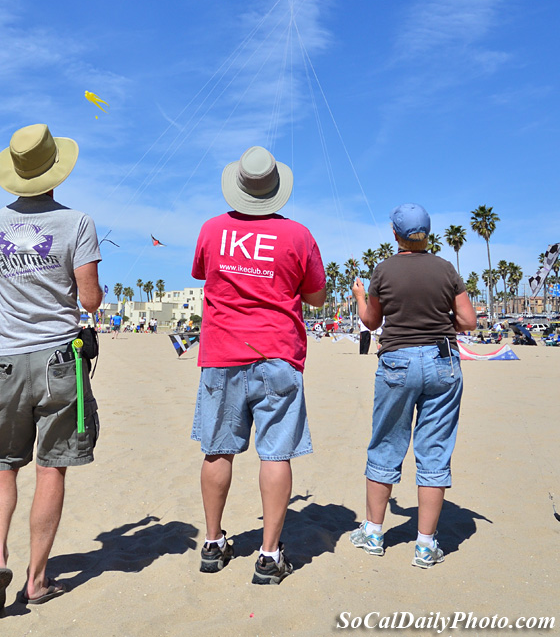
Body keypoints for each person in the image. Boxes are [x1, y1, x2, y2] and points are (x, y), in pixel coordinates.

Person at [0, 124, 102, 614]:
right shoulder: (77, 222)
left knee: (0, 463)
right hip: (56, 360)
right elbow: (88, 298)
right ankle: (36, 580)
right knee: (51, 467)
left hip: (5, 357)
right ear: (55, 170)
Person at [191, 146, 326, 585]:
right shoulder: (299, 236)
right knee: (276, 452)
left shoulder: (212, 229)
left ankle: (212, 544)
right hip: (278, 352)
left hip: (222, 352)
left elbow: (202, 273)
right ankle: (268, 555)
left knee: (218, 448)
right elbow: (316, 296)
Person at [350, 203, 476, 568]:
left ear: (395, 234)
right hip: (442, 360)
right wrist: (438, 319)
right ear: (428, 234)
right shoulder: (445, 268)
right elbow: (467, 320)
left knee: (387, 442)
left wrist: (361, 297)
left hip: (397, 361)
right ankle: (424, 545)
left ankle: (373, 533)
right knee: (434, 450)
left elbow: (372, 321)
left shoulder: (384, 270)